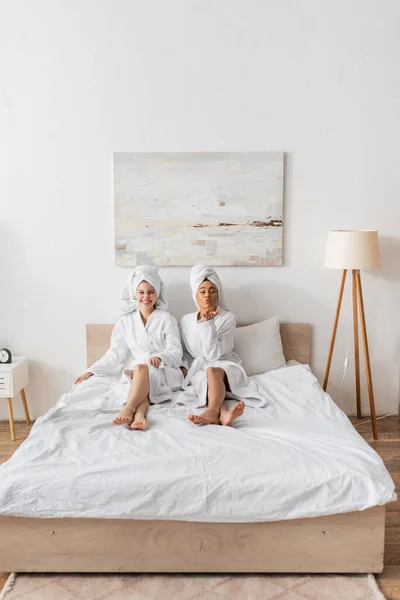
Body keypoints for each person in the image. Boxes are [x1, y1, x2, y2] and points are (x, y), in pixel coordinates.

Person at [75, 266, 183, 429]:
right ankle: (139, 416)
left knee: (142, 370)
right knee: (141, 373)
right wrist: (92, 370)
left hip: (163, 369)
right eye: (141, 292)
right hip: (140, 372)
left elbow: (176, 352)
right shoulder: (125, 321)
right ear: (135, 293)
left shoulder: (167, 319)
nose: (146, 297)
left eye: (151, 292)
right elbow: (114, 354)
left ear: (157, 293)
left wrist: (160, 357)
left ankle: (128, 408)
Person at [179, 264, 262, 426]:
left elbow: (213, 355)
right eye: (202, 291)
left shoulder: (228, 318)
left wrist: (208, 325)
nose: (207, 296)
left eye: (212, 291)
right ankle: (223, 414)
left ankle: (211, 411)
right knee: (206, 376)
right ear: (195, 295)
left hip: (224, 365)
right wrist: (183, 368)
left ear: (218, 294)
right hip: (200, 369)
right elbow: (183, 350)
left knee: (212, 370)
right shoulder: (186, 320)